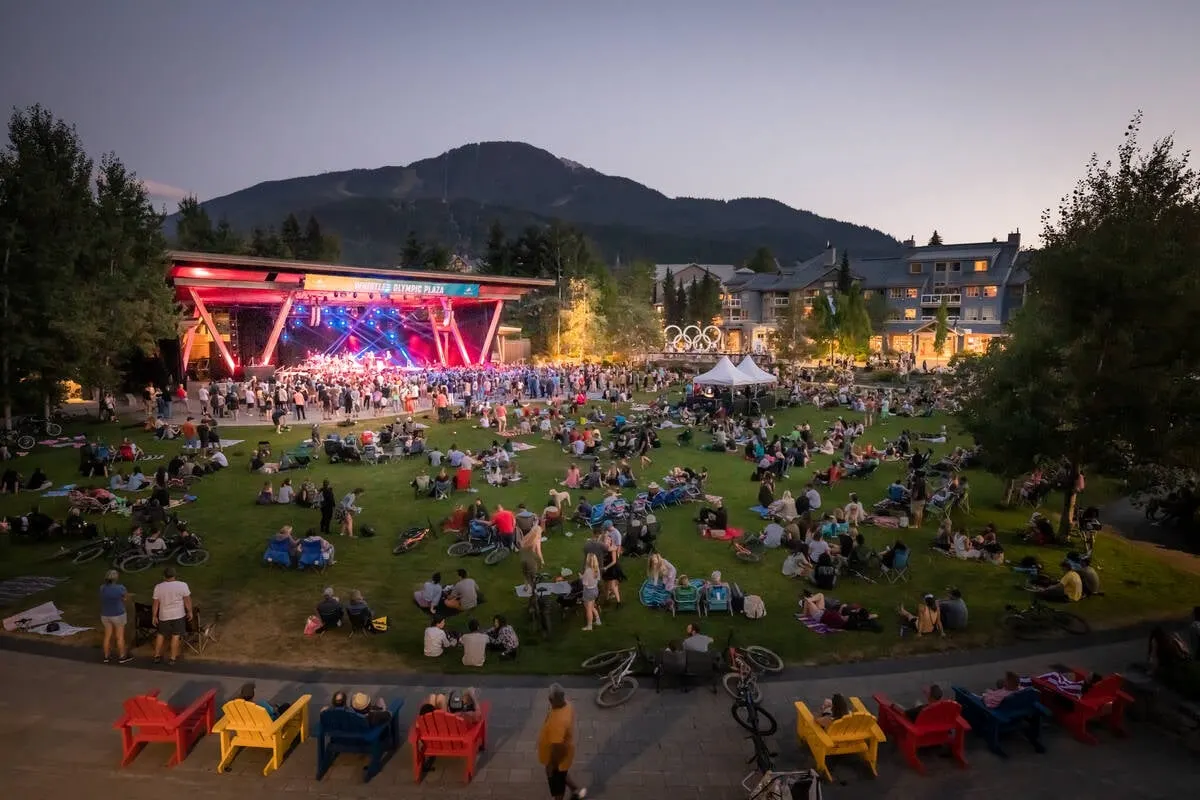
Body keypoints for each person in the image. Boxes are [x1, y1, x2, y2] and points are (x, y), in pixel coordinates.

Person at [538, 684, 587, 800]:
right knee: (562, 774)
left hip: (557, 760)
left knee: (558, 787)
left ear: (551, 700)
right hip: (563, 758)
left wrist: (552, 765)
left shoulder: (558, 723)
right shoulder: (567, 706)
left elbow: (558, 748)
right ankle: (576, 791)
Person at [152, 566, 192, 665]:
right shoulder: (182, 585)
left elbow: (156, 603)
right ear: (175, 575)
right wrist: (190, 611)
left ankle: (157, 656)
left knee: (161, 635)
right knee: (176, 635)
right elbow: (187, 600)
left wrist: (154, 616)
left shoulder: (158, 587)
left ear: (164, 576)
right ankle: (172, 658)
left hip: (164, 615)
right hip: (178, 615)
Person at [99, 569, 133, 664]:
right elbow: (125, 598)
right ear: (116, 578)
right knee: (119, 636)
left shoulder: (102, 588)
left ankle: (106, 656)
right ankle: (122, 656)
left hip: (105, 615)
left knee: (107, 636)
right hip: (118, 614)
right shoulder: (120, 588)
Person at [581, 553, 602, 632]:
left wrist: (582, 577)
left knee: (588, 610)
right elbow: (598, 579)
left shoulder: (587, 571)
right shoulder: (597, 569)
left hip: (588, 592)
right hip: (595, 590)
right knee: (591, 606)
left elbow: (584, 583)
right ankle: (598, 620)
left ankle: (589, 626)